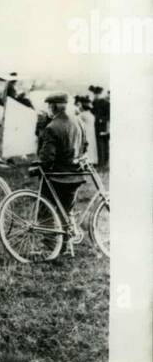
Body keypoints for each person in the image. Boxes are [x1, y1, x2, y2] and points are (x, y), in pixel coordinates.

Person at [39, 93, 86, 255]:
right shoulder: (78, 121)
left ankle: (52, 244)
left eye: (49, 106)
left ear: (54, 107)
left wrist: (39, 166)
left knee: (45, 208)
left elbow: (47, 157)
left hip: (57, 176)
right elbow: (84, 146)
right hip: (76, 176)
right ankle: (64, 246)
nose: (48, 109)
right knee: (66, 211)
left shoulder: (52, 127)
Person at [74, 95, 98, 165]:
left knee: (85, 146)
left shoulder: (82, 115)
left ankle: (86, 160)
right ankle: (92, 160)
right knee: (91, 146)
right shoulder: (91, 115)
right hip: (91, 133)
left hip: (85, 132)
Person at [91, 87, 110, 169]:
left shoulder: (106, 103)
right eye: (95, 94)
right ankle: (100, 162)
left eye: (97, 94)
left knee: (103, 145)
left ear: (100, 94)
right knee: (98, 145)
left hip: (103, 126)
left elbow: (109, 115)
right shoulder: (94, 102)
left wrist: (102, 120)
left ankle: (103, 163)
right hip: (96, 126)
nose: (96, 95)